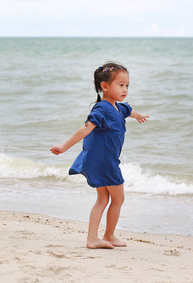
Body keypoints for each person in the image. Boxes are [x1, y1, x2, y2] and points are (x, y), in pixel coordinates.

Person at [50, 62, 149, 249]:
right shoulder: (101, 109)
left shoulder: (120, 108)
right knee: (118, 199)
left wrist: (139, 115)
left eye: (127, 85)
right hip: (105, 162)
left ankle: (94, 237)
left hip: (105, 160)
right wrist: (64, 147)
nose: (125, 89)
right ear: (105, 86)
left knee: (103, 199)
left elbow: (130, 111)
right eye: (120, 85)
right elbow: (85, 130)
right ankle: (107, 235)